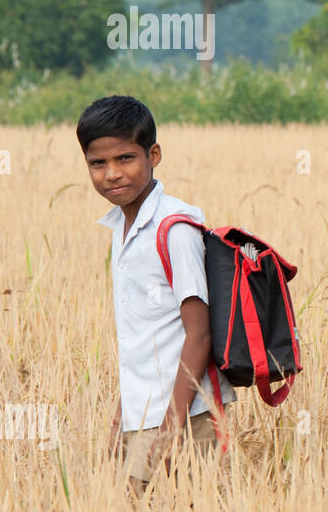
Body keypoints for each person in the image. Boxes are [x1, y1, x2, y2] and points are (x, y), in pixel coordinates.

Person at [77, 95, 234, 491]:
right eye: (98, 163)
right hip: (142, 413)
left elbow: (199, 334)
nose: (111, 174)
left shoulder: (174, 230)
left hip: (185, 413)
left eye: (125, 159)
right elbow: (142, 339)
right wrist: (120, 421)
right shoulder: (122, 228)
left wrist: (170, 430)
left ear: (154, 155)